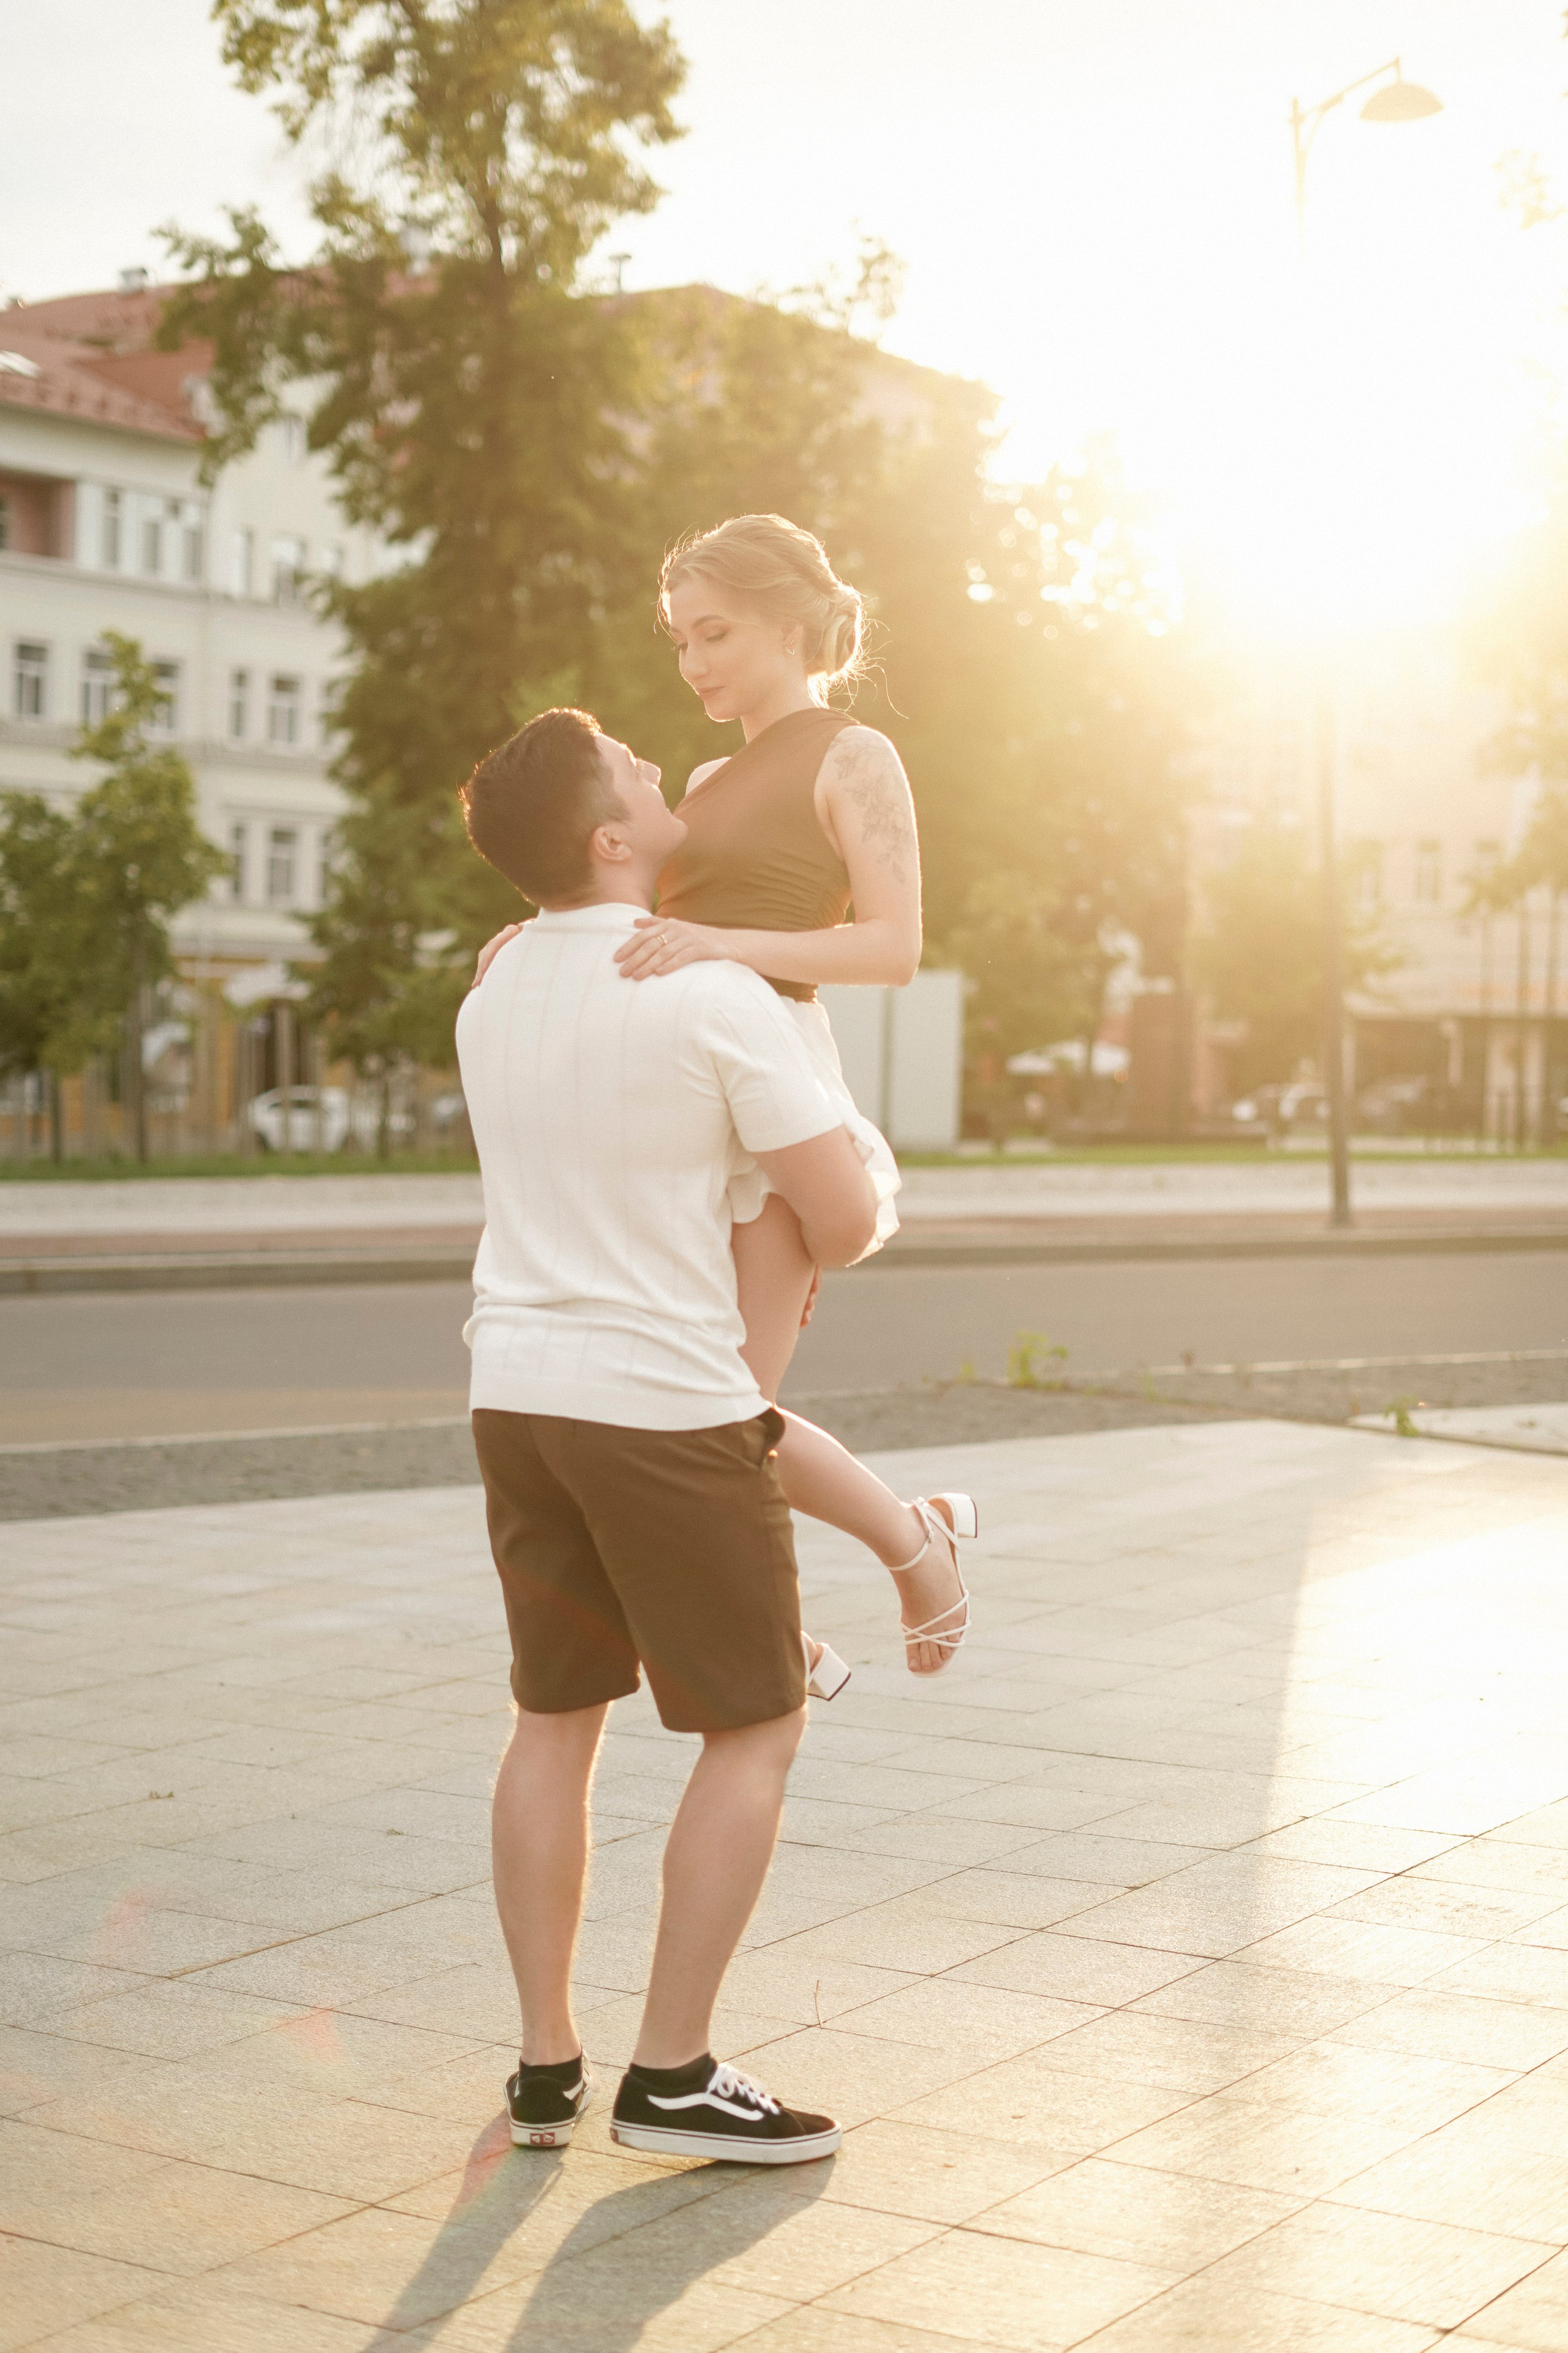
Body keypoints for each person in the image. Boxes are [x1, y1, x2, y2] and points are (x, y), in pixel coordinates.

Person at [456, 703, 884, 2161]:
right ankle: (673, 2073)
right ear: (608, 838)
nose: (653, 763)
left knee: (552, 1718)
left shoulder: (493, 985)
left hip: (516, 1391)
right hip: (661, 1404)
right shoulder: (713, 992)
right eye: (629, 768)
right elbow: (839, 1218)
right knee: (755, 1723)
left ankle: (542, 2068)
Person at [475, 514, 975, 1686]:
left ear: (790, 626)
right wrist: (535, 933)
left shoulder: (855, 756)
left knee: (723, 1412)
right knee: (688, 1414)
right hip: (697, 1097)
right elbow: (637, 919)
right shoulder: (698, 783)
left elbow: (893, 948)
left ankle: (910, 1553)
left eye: (716, 633)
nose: (692, 663)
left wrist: (720, 945)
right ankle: (844, 1581)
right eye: (680, 639)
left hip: (780, 1088)